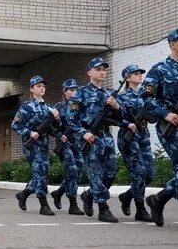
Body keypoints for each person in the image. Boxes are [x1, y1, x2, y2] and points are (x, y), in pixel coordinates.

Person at [68, 57, 124, 223]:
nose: (102, 72)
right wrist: (83, 132)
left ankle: (89, 194)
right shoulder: (81, 93)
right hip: (90, 138)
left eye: (103, 69)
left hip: (106, 137)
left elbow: (121, 118)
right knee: (96, 172)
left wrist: (117, 107)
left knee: (112, 172)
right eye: (98, 69)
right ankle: (103, 208)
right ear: (89, 72)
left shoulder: (108, 94)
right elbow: (71, 119)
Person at [143, 29, 178, 227]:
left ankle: (159, 199)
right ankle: (159, 200)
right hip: (171, 126)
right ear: (172, 43)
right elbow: (145, 99)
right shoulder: (160, 69)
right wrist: (165, 113)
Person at [12, 76, 61, 216]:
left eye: (43, 86)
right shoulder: (27, 106)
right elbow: (15, 125)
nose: (42, 88)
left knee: (42, 174)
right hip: (31, 145)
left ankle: (24, 194)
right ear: (31, 89)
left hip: (44, 145)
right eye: (38, 86)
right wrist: (29, 132)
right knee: (39, 173)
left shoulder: (49, 108)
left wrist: (57, 119)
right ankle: (43, 205)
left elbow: (54, 127)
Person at [116, 64, 154, 222]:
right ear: (128, 77)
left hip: (143, 133)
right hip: (129, 135)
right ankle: (140, 209)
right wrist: (127, 124)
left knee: (150, 174)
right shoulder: (122, 97)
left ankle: (127, 196)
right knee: (139, 172)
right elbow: (117, 117)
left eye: (140, 73)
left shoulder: (145, 95)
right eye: (135, 73)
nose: (139, 75)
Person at [50, 79, 85, 215]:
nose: (74, 92)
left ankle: (58, 193)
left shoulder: (81, 106)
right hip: (64, 144)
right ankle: (73, 204)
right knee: (72, 171)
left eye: (75, 89)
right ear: (64, 92)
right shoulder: (58, 108)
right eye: (70, 89)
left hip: (78, 143)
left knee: (78, 172)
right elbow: (50, 126)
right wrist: (59, 133)